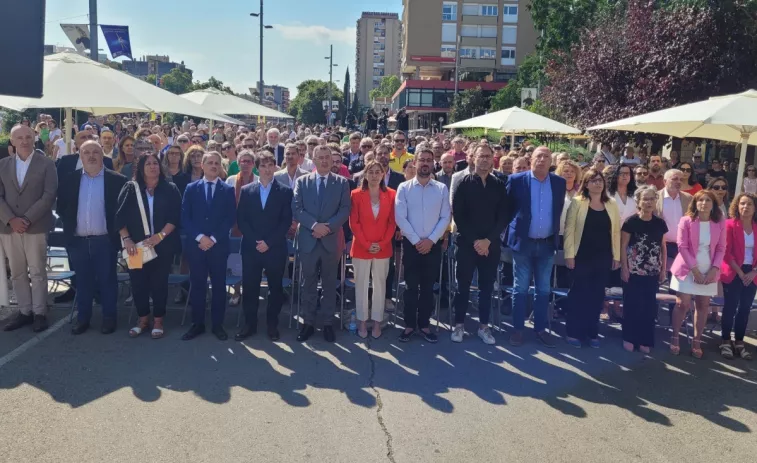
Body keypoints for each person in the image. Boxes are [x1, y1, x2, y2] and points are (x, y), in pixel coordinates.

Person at [57, 140, 126, 335]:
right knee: (83, 282)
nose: (91, 156)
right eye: (86, 152)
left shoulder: (117, 180)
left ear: (102, 154)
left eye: (95, 152)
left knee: (107, 282)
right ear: (80, 156)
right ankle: (83, 319)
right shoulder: (70, 179)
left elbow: (121, 212)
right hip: (78, 240)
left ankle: (109, 318)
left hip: (105, 240)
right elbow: (62, 208)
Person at [504, 146, 567, 347]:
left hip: (547, 244)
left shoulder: (559, 183)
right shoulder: (516, 180)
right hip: (523, 243)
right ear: (531, 159)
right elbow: (507, 209)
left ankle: (540, 328)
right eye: (538, 156)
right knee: (520, 288)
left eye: (546, 156)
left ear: (551, 161)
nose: (542, 159)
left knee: (543, 289)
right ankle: (517, 329)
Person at [116, 153, 181, 339]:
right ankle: (143, 319)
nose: (152, 166)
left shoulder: (170, 188)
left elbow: (175, 217)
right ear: (141, 167)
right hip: (135, 247)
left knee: (159, 283)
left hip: (162, 245)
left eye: (155, 163)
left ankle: (159, 320)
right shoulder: (131, 188)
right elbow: (119, 217)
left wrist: (159, 237)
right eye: (148, 164)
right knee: (138, 283)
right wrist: (127, 239)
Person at [0, 125, 57, 332]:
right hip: (8, 228)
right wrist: (11, 219)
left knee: (37, 271)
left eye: (28, 137)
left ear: (34, 139)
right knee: (16, 272)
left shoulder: (47, 164)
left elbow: (49, 195)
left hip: (36, 226)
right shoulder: (2, 165)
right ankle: (24, 311)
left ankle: (40, 312)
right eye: (19, 138)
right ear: (12, 142)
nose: (24, 141)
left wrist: (26, 218)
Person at [292, 145, 351, 343]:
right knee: (307, 283)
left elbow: (344, 210)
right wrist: (315, 226)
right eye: (320, 157)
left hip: (330, 240)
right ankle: (307, 323)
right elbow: (297, 209)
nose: (325, 160)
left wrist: (328, 228)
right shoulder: (302, 182)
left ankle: (327, 323)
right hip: (308, 240)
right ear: (313, 159)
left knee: (328, 284)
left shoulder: (342, 183)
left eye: (327, 157)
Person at [450, 145, 507, 345]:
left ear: (493, 159)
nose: (484, 160)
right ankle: (459, 325)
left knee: (486, 287)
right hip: (467, 244)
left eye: (488, 156)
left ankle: (484, 327)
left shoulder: (498, 184)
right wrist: (475, 240)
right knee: (462, 287)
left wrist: (488, 240)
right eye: (481, 156)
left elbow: (503, 217)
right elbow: (459, 215)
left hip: (490, 246)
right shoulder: (463, 183)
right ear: (472, 158)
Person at [235, 152, 293, 341]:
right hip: (251, 248)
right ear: (257, 168)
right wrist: (255, 241)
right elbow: (242, 220)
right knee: (250, 287)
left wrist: (269, 242)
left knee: (275, 289)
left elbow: (285, 222)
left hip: (274, 248)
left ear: (275, 167)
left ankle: (272, 324)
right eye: (263, 166)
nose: (267, 170)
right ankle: (249, 324)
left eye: (270, 165)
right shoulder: (247, 190)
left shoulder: (285, 191)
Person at [394, 148, 451, 343]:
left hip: (432, 246)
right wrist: (417, 241)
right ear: (415, 163)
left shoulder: (442, 189)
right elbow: (400, 217)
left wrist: (431, 240)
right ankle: (409, 325)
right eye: (422, 160)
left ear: (433, 163)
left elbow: (445, 217)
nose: (425, 163)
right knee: (410, 288)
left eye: (429, 160)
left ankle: (424, 325)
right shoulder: (404, 188)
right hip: (412, 245)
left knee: (427, 288)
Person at [181, 152, 237, 341]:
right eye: (210, 163)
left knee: (219, 287)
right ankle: (197, 324)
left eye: (217, 163)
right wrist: (199, 237)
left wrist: (212, 238)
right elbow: (184, 217)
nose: (214, 166)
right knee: (197, 285)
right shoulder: (191, 188)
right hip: (196, 246)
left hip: (218, 246)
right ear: (202, 166)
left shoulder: (227, 190)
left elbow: (230, 218)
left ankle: (217, 324)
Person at [563, 168, 621, 348]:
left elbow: (616, 232)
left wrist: (617, 256)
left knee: (597, 296)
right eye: (593, 180)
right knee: (579, 295)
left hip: (603, 257)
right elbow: (569, 230)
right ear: (586, 184)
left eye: (600, 180)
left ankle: (591, 331)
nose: (598, 183)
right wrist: (569, 255)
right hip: (581, 256)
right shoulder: (577, 202)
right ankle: (574, 332)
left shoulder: (611, 203)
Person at [669, 190, 725, 359]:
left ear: (713, 204)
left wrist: (714, 269)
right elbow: (682, 246)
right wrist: (694, 270)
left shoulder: (719, 222)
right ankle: (675, 336)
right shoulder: (686, 221)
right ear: (695, 203)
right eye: (700, 200)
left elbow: (721, 248)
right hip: (687, 269)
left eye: (708, 200)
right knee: (682, 304)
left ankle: (696, 340)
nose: (704, 203)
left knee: (703, 306)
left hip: (709, 270)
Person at [349, 160, 397, 339]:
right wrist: (367, 244)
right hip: (362, 247)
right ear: (365, 174)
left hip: (383, 249)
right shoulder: (355, 195)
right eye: (371, 172)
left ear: (383, 174)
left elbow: (392, 222)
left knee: (380, 286)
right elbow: (354, 222)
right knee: (361, 286)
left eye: (378, 172)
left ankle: (377, 322)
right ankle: (362, 321)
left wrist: (383, 243)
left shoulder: (392, 194)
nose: (375, 175)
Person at [620, 185, 668, 353]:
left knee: (649, 307)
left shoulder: (660, 223)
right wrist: (624, 268)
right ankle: (629, 337)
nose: (649, 202)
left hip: (653, 271)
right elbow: (623, 246)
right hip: (633, 271)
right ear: (638, 202)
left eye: (652, 198)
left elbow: (663, 247)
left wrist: (663, 269)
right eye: (645, 199)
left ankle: (645, 339)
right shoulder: (630, 222)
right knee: (632, 305)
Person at [719, 193, 757, 360]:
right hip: (734, 270)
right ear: (736, 205)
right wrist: (741, 273)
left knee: (745, 308)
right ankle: (726, 340)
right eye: (742, 203)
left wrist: (754, 271)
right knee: (730, 307)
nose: (745, 207)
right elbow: (726, 253)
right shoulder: (729, 225)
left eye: (749, 204)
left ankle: (740, 341)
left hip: (753, 272)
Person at [655, 169, 692, 264]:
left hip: (683, 246)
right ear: (664, 181)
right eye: (675, 179)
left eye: (681, 179)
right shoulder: (655, 198)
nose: (679, 182)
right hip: (661, 246)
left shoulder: (688, 198)